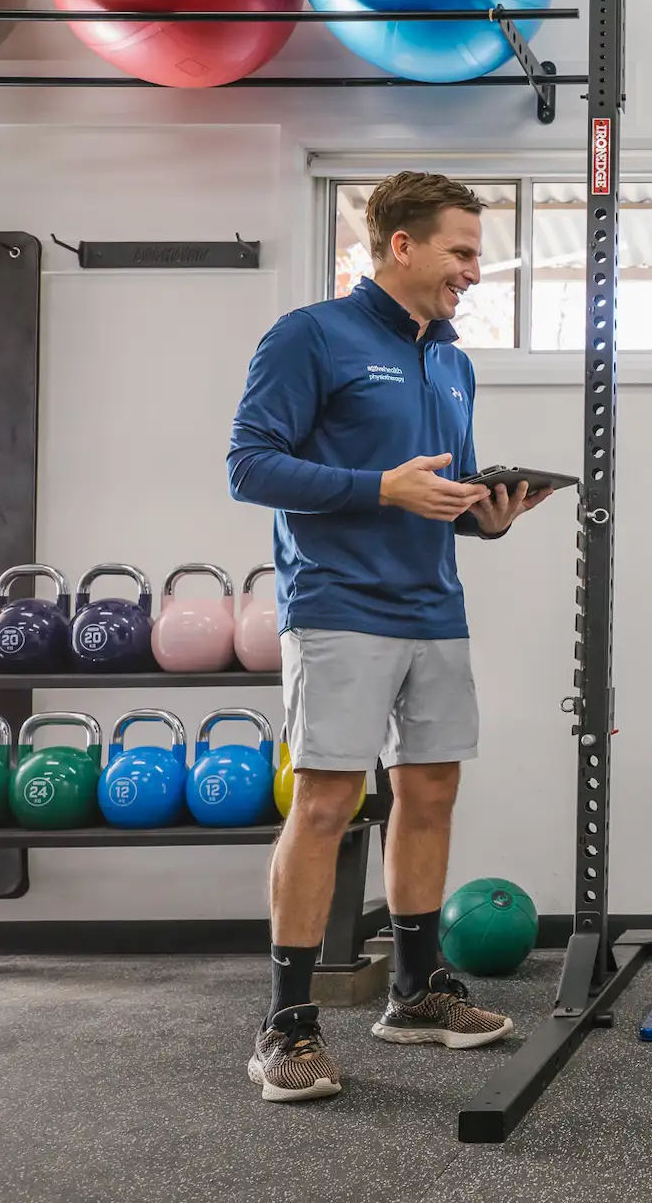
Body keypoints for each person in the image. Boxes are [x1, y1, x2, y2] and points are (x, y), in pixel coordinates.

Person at [227, 171, 551, 1102]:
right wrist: (379, 487)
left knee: (432, 793)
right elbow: (249, 465)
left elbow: (430, 490)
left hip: (432, 607)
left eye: (477, 254)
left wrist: (480, 516)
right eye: (460, 251)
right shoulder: (310, 336)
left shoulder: (452, 360)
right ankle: (285, 1026)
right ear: (399, 246)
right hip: (337, 606)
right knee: (326, 804)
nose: (473, 273)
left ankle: (415, 992)